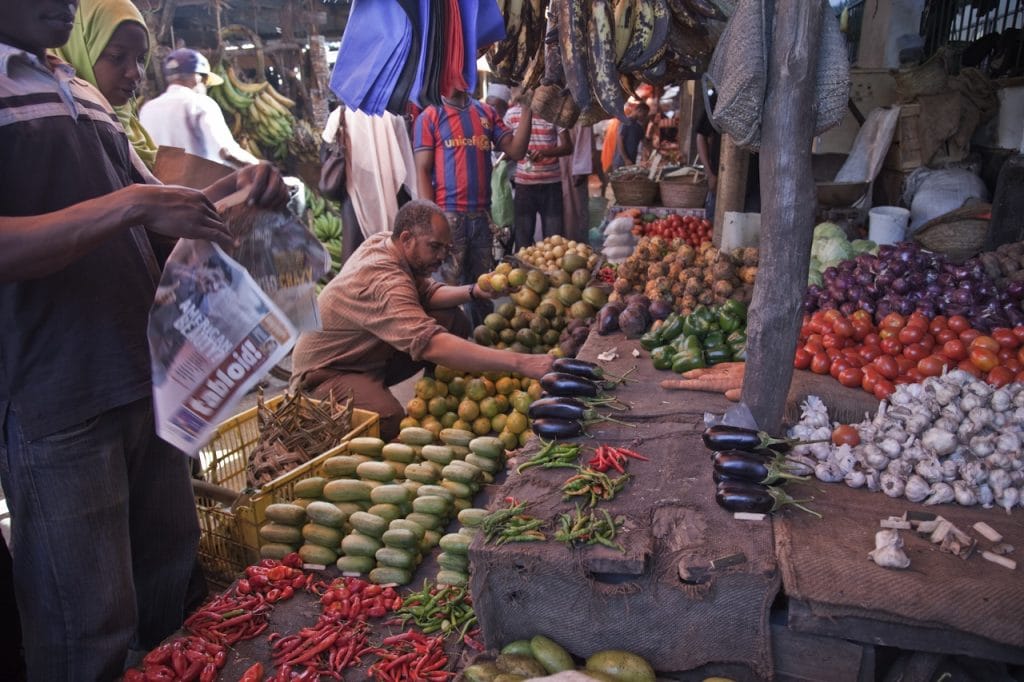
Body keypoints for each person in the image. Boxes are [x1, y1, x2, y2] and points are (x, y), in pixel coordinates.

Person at [0, 3, 290, 679]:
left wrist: (237, 192)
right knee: (88, 628)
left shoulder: (77, 89)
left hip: (147, 377)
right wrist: (132, 206)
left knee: (173, 594)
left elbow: (154, 207)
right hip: (58, 395)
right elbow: (127, 208)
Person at [291, 200, 554, 442]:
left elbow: (428, 293)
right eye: (435, 247)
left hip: (365, 354)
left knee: (453, 320)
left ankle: (436, 392)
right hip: (325, 374)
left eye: (446, 248)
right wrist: (522, 363)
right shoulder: (384, 281)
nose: (442, 257)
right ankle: (342, 417)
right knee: (388, 417)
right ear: (406, 238)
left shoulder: (387, 243)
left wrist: (475, 291)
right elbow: (430, 344)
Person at [414, 88, 533, 327]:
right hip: (447, 219)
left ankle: (482, 345)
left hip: (481, 217)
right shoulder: (430, 116)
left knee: (483, 290)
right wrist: (431, 224)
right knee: (446, 293)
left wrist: (528, 109)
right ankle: (448, 352)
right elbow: (422, 170)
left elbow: (516, 151)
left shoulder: (485, 112)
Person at [52, 0, 159, 170]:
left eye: (140, 59)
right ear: (79, 51)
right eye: (117, 56)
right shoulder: (61, 131)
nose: (136, 73)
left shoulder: (129, 127)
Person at [140, 47, 261, 168]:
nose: (205, 87)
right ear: (197, 77)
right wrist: (261, 169)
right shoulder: (199, 103)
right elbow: (226, 152)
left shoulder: (147, 109)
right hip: (200, 185)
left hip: (160, 185)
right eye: (205, 82)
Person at [504, 96, 573, 251]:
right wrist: (516, 153)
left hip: (551, 186)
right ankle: (521, 272)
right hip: (524, 186)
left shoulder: (554, 113)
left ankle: (552, 275)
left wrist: (544, 153)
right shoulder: (512, 115)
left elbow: (568, 147)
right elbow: (506, 148)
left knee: (554, 242)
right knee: (523, 240)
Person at [613, 101, 650, 169]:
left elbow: (645, 143)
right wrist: (626, 159)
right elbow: (619, 142)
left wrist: (647, 155)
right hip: (621, 162)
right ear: (639, 110)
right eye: (644, 115)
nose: (644, 117)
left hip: (631, 162)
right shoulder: (625, 122)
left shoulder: (639, 127)